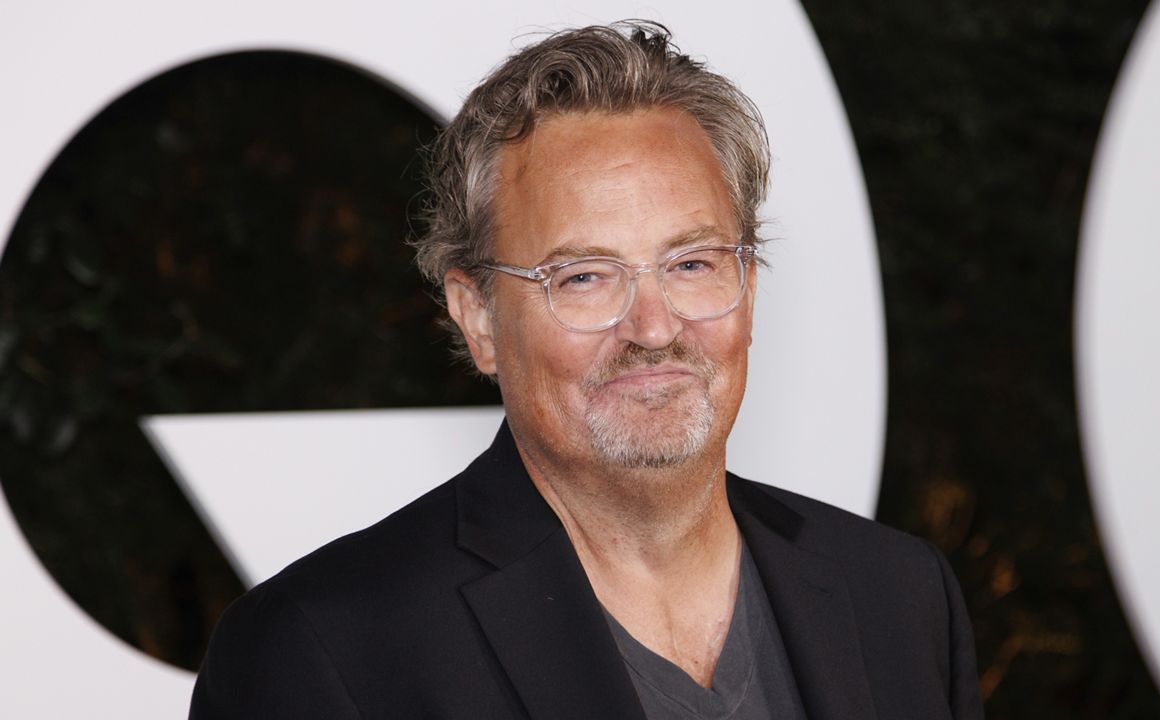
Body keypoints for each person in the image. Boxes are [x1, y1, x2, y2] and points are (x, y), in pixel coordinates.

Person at [189, 21, 984, 720]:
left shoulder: (899, 599)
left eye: (693, 262)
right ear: (478, 320)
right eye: (583, 278)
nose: (654, 326)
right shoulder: (325, 655)